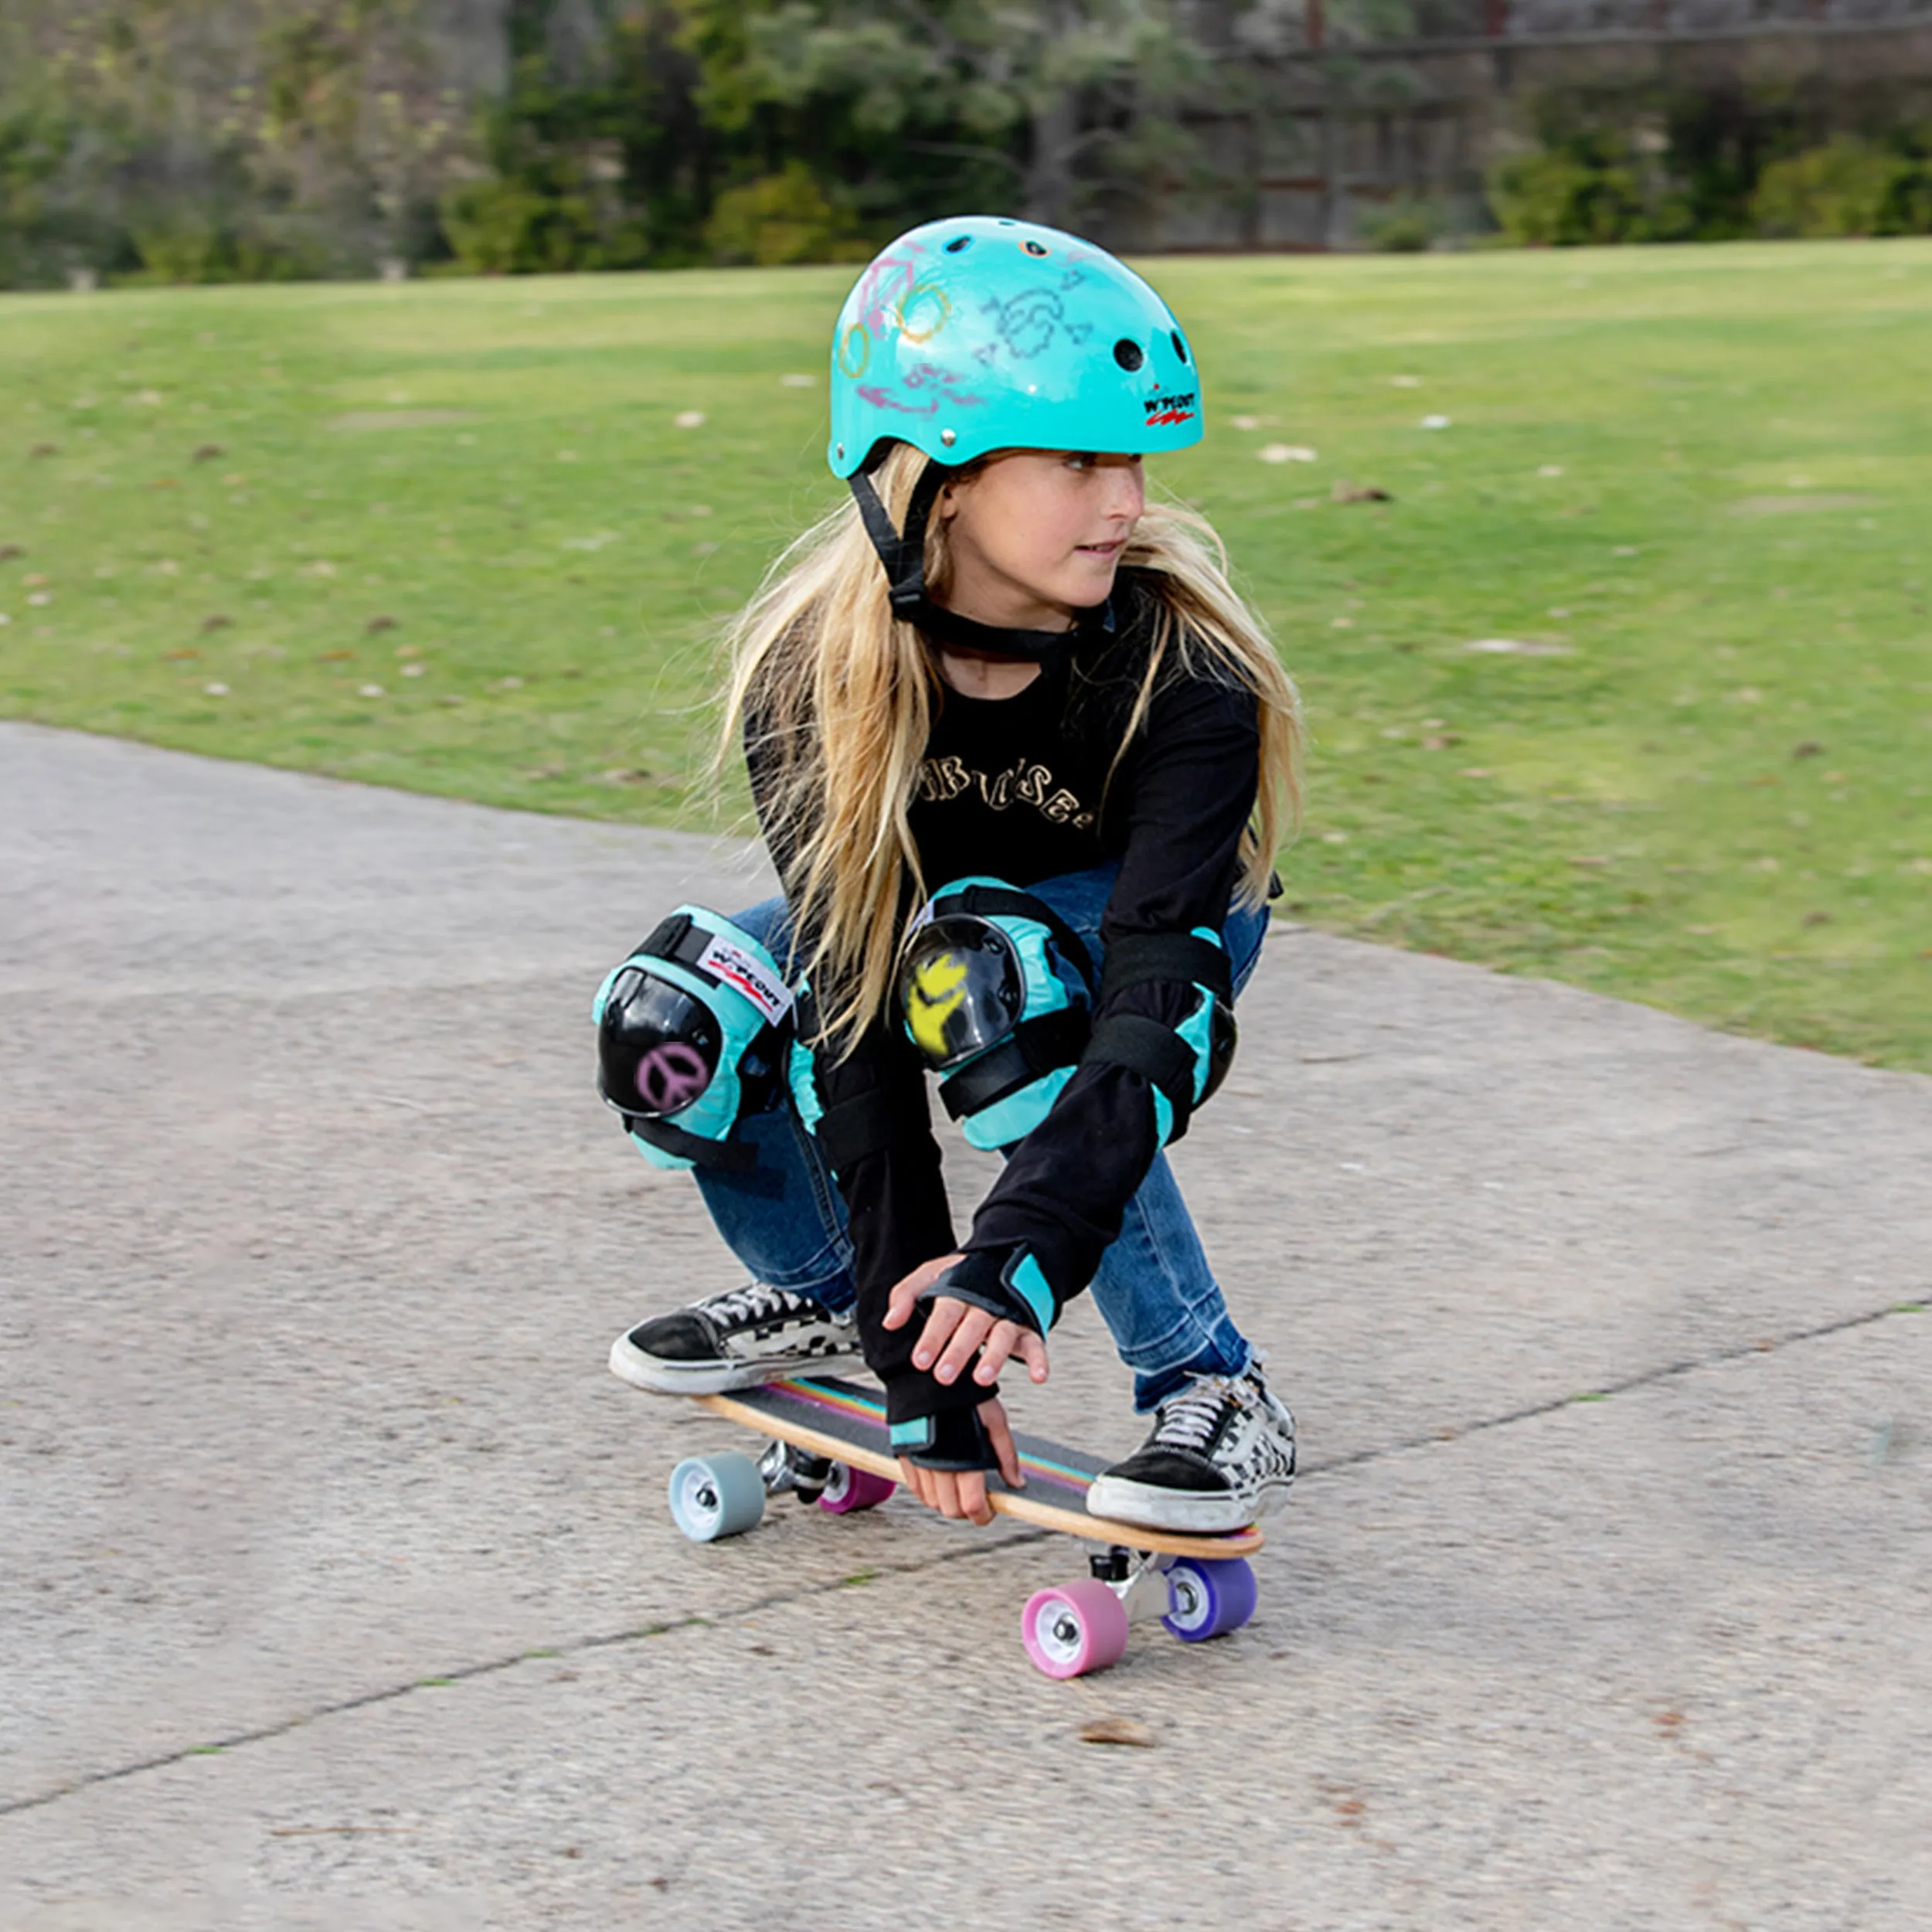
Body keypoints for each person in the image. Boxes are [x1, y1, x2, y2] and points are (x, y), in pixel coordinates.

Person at [597, 213, 1301, 1534]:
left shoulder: (1182, 677)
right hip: (942, 942)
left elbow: (1162, 1006)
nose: (1131, 503)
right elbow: (848, 999)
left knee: (986, 984)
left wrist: (1007, 1270)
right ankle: (824, 1291)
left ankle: (1214, 1384)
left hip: (1146, 933)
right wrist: (907, 1332)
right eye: (1083, 459)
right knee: (673, 1021)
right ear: (946, 476)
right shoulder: (818, 670)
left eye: (1135, 460)